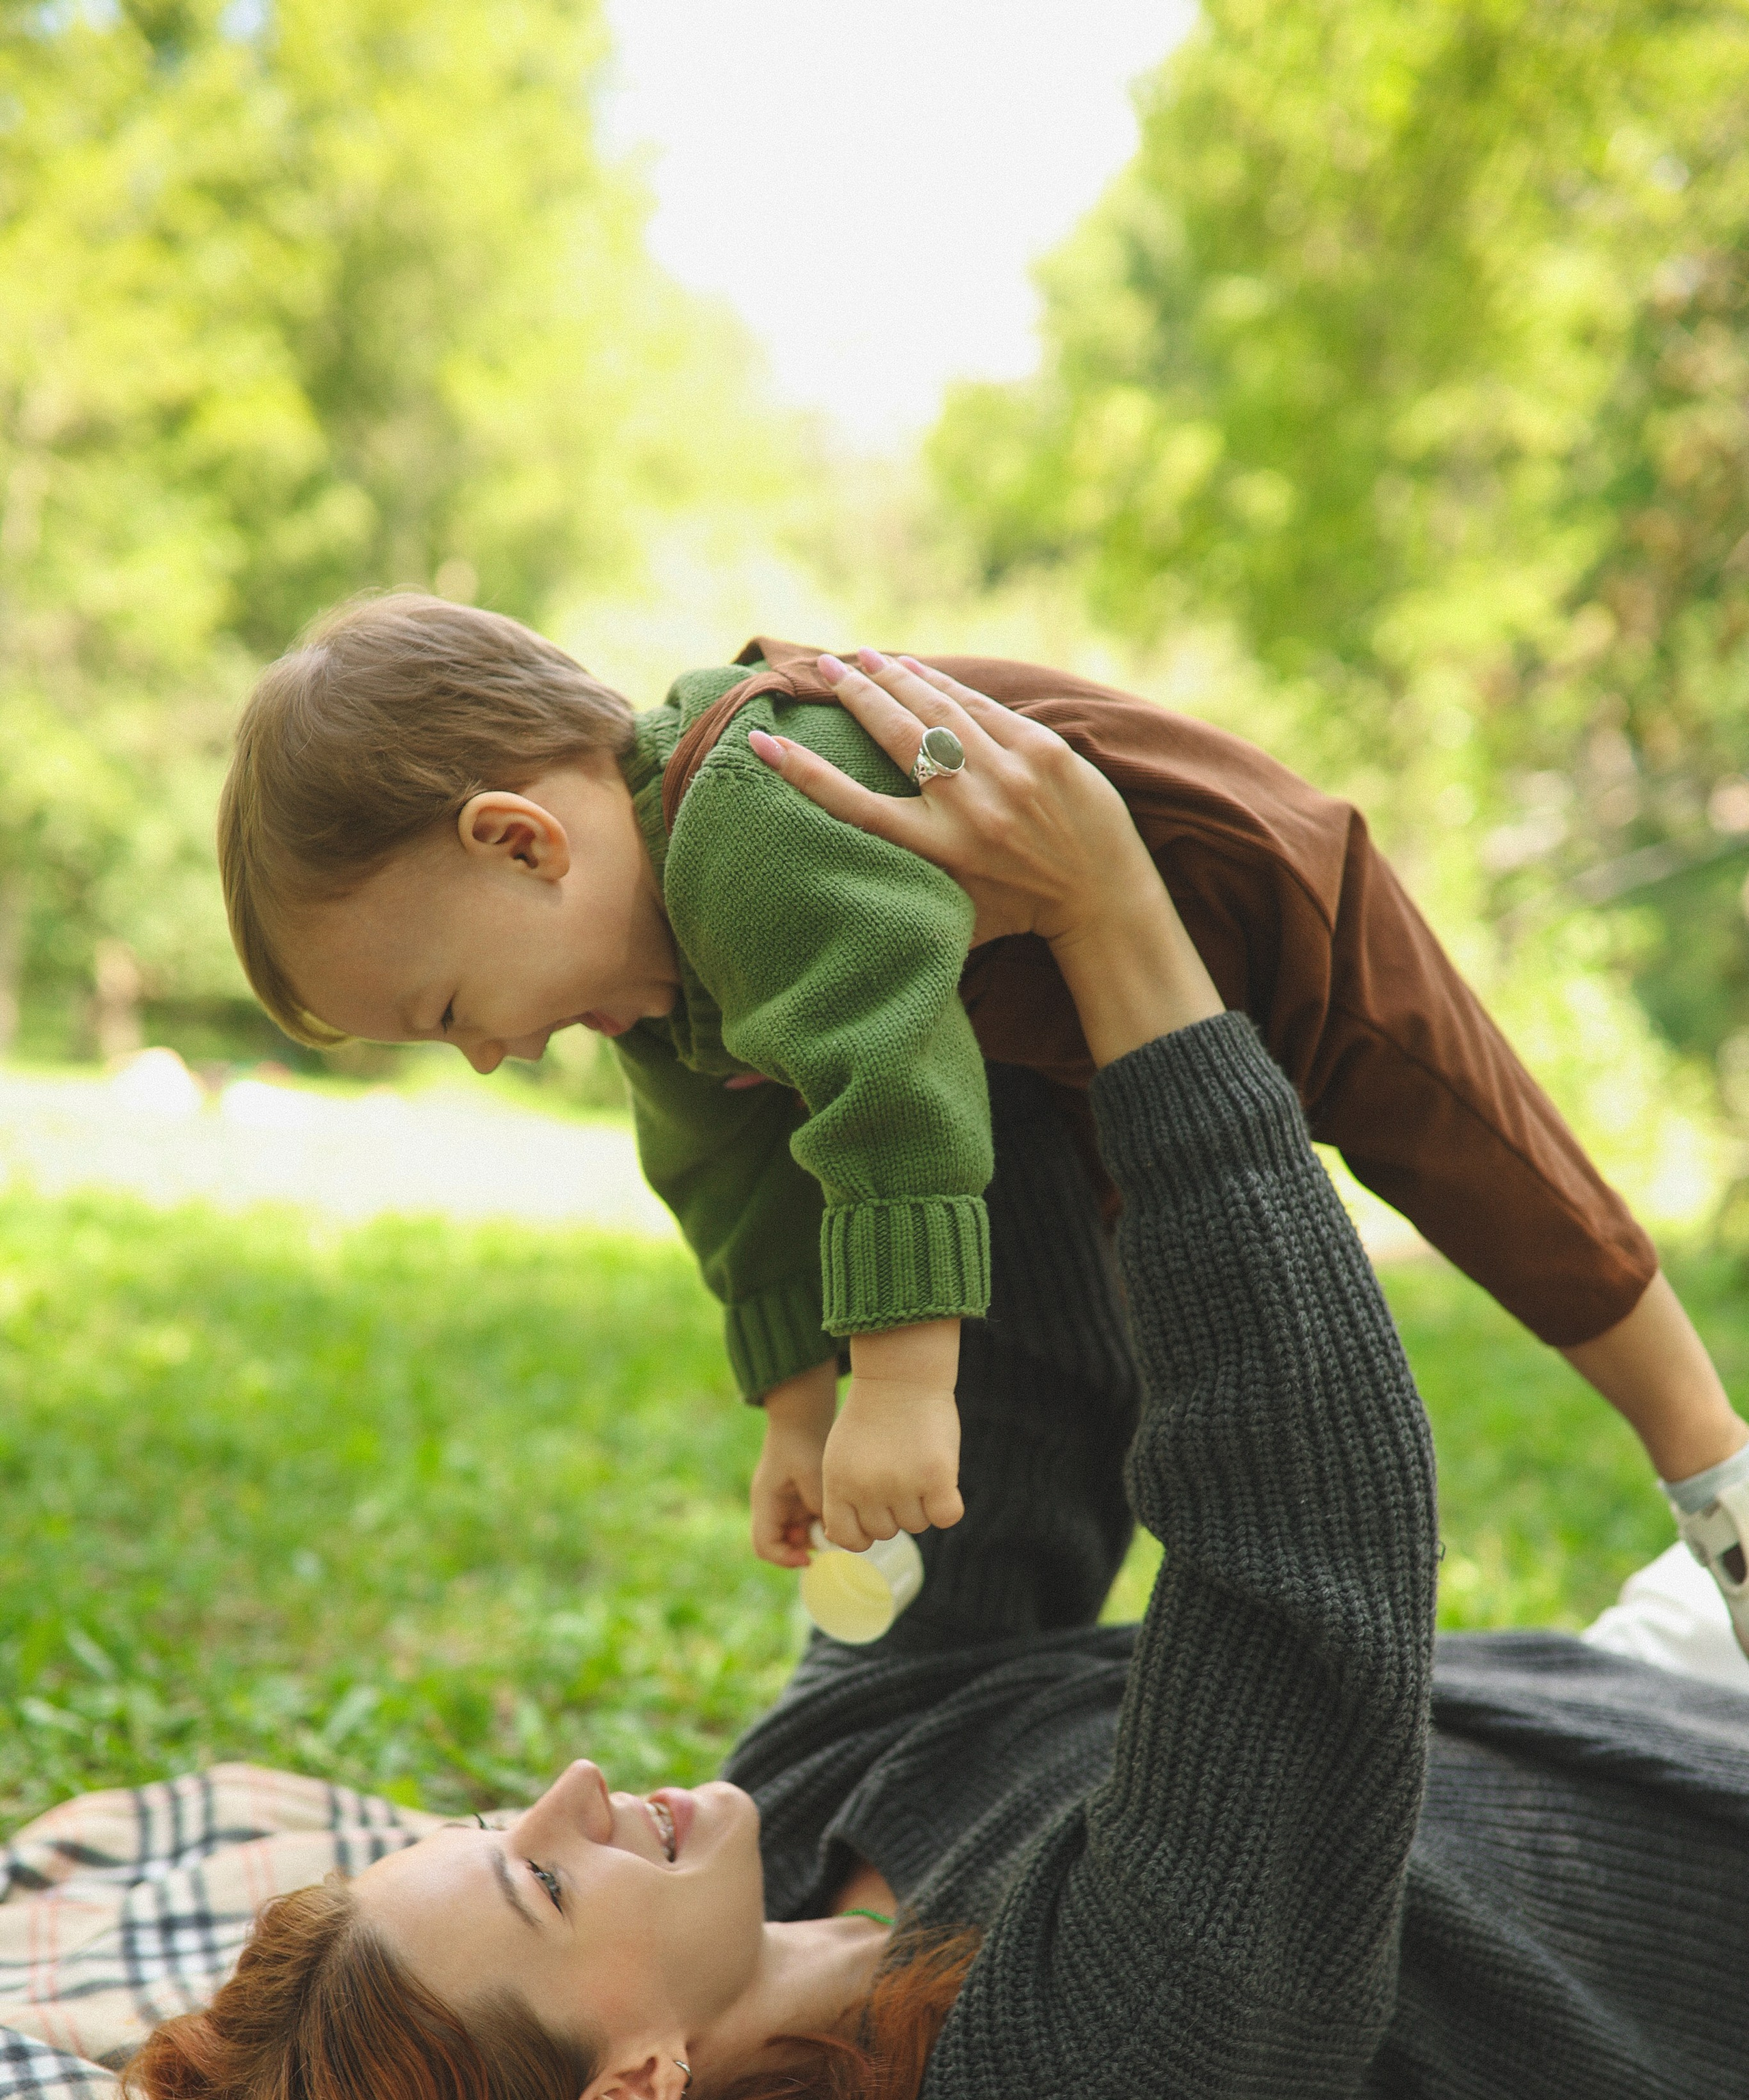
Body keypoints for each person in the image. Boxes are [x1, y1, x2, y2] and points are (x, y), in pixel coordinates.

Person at [133, 661, 1749, 2100]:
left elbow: (1024, 1409)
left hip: (1624, 1685)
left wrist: (902, 919)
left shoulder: (802, 1806)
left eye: (497, 1818)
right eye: (538, 1879)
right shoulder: (1072, 2083)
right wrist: (1115, 920)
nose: (576, 1786)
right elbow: (1308, 1539)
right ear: (631, 2090)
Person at [213, 598, 1749, 1630]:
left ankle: (1712, 1471)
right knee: (1161, 1323)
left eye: (446, 1010)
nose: (486, 1058)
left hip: (1236, 900)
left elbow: (888, 1088)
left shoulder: (748, 820)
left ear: (522, 843)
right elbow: (727, 1178)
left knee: (1474, 1152)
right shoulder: (653, 977)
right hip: (1064, 1036)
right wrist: (800, 1415)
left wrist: (898, 1385)